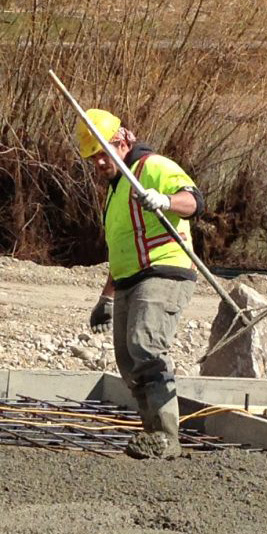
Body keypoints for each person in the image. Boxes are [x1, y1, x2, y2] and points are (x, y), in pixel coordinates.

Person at [78, 108, 201, 460]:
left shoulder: (153, 167)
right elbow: (122, 249)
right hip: (129, 279)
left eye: (105, 151)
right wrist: (106, 297)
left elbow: (194, 201)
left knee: (145, 346)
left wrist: (165, 200)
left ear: (123, 141)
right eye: (94, 157)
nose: (101, 162)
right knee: (127, 359)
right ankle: (152, 436)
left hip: (164, 270)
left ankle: (166, 436)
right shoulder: (115, 192)